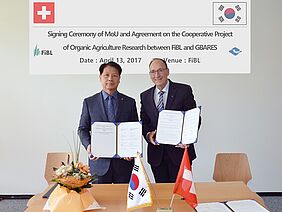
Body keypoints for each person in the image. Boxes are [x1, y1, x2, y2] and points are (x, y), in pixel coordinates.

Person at [140, 58, 200, 183]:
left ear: (167, 71)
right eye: (153, 72)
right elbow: (144, 122)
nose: (157, 75)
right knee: (163, 195)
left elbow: (194, 118)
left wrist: (187, 139)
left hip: (180, 152)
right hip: (157, 156)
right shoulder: (145, 96)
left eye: (160, 70)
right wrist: (148, 135)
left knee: (181, 196)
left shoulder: (183, 90)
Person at [78, 61, 139, 184]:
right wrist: (89, 146)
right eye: (106, 75)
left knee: (122, 200)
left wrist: (132, 150)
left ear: (119, 79)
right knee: (100, 200)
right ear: (100, 77)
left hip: (124, 163)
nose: (110, 79)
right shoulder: (89, 102)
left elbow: (134, 129)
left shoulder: (129, 102)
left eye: (114, 75)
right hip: (99, 163)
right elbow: (82, 129)